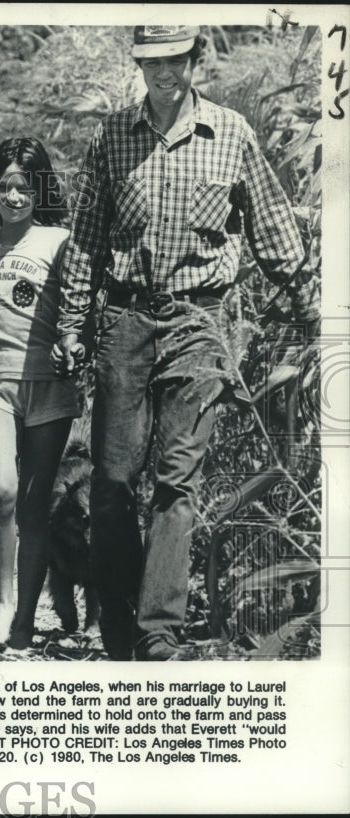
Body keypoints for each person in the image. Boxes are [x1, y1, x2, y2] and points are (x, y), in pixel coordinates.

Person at [53, 26, 321, 660]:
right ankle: (117, 622)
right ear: (138, 63)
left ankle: (160, 633)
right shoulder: (113, 136)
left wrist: (310, 302)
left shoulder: (231, 134)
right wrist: (71, 321)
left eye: (174, 59)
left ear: (194, 59)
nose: (163, 72)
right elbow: (88, 239)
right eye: (150, 61)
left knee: (178, 481)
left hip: (199, 327)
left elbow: (275, 226)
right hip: (124, 321)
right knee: (115, 481)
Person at [0, 137, 80, 648]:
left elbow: (77, 309)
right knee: (0, 490)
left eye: (24, 187)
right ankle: (2, 605)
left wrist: (71, 345)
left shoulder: (59, 240)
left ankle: (24, 620)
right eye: (4, 186)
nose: (13, 196)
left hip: (49, 389)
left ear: (40, 189)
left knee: (33, 508)